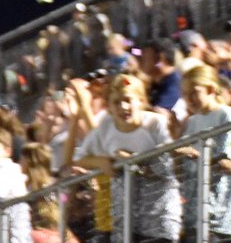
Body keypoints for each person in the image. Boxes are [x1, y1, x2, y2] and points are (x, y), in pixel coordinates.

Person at [70, 74, 181, 243]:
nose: (123, 106)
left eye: (128, 100)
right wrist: (103, 160)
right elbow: (79, 157)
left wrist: (130, 161)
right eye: (116, 102)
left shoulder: (155, 124)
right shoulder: (107, 127)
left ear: (141, 101)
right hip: (125, 222)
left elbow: (166, 169)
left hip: (157, 221)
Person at [174, 66, 231, 243]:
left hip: (217, 215)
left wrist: (196, 155)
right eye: (185, 94)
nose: (189, 99)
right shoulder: (192, 121)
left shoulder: (226, 115)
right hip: (192, 213)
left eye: (194, 93)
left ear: (211, 89)